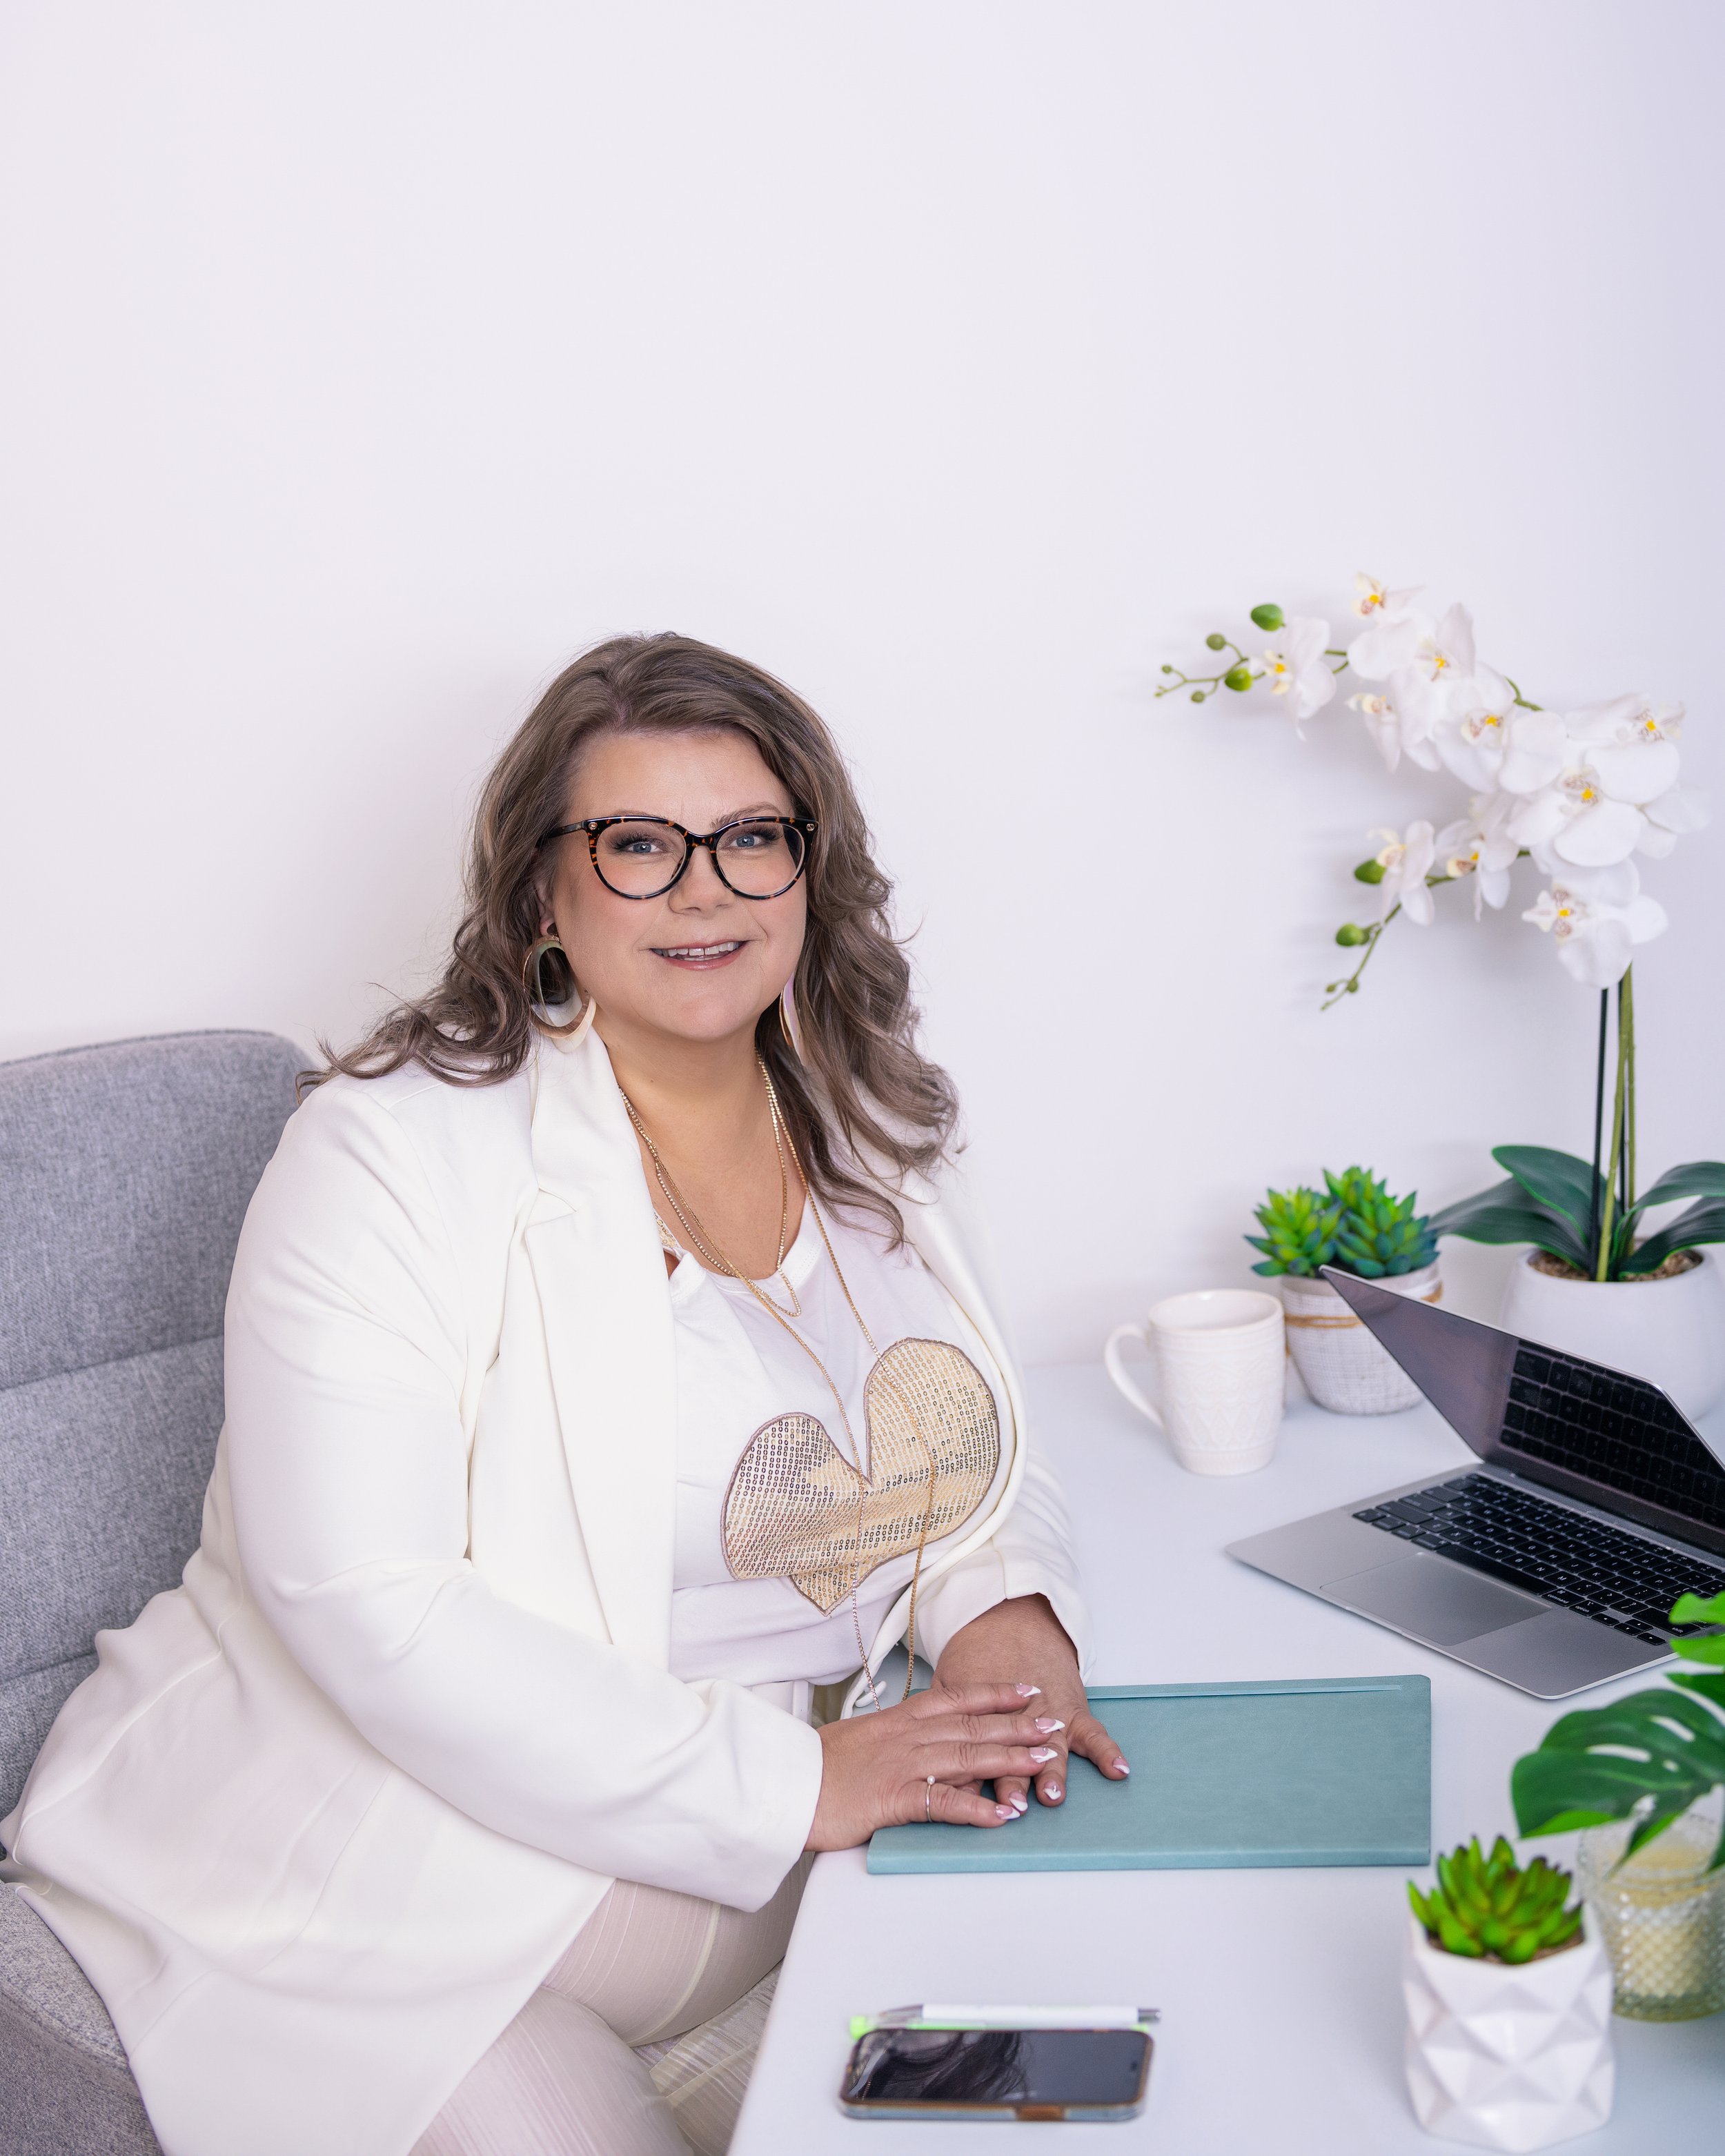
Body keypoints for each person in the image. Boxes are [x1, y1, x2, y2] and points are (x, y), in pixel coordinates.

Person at [1, 635, 1125, 2156]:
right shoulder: (390, 1153)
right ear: (543, 888)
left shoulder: (873, 1116)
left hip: (775, 1813)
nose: (706, 891)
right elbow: (367, 1601)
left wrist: (1004, 1611)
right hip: (403, 1846)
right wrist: (797, 1780)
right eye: (640, 845)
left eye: (751, 837)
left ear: (811, 867)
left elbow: (974, 1425)